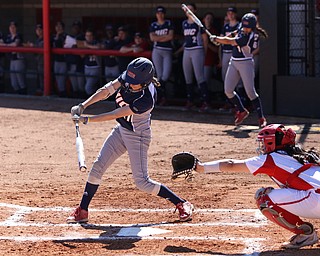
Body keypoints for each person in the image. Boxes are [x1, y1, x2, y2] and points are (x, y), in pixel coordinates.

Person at [67, 57, 194, 223]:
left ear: (145, 82)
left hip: (138, 135)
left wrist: (87, 120)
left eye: (134, 82)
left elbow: (115, 114)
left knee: (142, 182)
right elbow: (107, 90)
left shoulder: (146, 99)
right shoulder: (130, 77)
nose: (129, 84)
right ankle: (82, 210)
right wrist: (83, 105)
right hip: (121, 130)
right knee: (98, 167)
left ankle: (181, 203)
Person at [193, 124, 320, 249]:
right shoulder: (305, 155)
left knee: (264, 198)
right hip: (316, 198)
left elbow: (231, 164)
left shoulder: (271, 159)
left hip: (316, 200)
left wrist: (200, 168)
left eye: (264, 142)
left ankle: (306, 234)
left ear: (272, 143)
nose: (262, 145)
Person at [210, 13, 268, 128]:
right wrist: (224, 37)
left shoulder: (250, 36)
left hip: (246, 63)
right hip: (234, 62)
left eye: (248, 26)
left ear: (252, 26)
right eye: (244, 25)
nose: (245, 28)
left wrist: (217, 39)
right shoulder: (243, 28)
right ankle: (242, 111)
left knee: (251, 92)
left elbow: (229, 41)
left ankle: (261, 118)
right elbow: (236, 32)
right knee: (228, 90)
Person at [176, 3, 209, 112]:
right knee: (188, 77)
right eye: (187, 10)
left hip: (197, 49)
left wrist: (204, 52)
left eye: (191, 10)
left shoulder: (198, 23)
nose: (188, 12)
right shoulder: (184, 23)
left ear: (195, 11)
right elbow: (186, 40)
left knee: (199, 77)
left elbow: (205, 40)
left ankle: (205, 101)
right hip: (187, 50)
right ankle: (190, 100)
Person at [149, 6, 174, 106]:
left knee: (165, 76)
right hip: (157, 51)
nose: (160, 15)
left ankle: (158, 95)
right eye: (158, 13)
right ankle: (161, 97)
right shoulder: (153, 25)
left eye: (162, 13)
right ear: (156, 14)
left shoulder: (168, 23)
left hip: (167, 50)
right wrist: (164, 37)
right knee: (159, 76)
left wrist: (158, 38)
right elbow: (152, 38)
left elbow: (170, 36)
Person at [0, 21, 27, 94]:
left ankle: (24, 96)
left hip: (19, 59)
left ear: (16, 28)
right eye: (11, 27)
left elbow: (15, 44)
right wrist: (7, 45)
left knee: (20, 80)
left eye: (14, 27)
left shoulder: (18, 35)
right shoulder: (8, 36)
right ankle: (19, 95)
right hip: (12, 60)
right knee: (14, 82)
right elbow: (1, 42)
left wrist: (6, 45)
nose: (12, 29)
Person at [65, 21, 85, 99]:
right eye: (74, 27)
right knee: (74, 85)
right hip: (71, 63)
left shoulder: (82, 37)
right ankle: (75, 98)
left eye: (77, 27)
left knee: (81, 85)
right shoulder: (69, 37)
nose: (75, 29)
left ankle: (82, 99)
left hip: (79, 64)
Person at [202, 12, 219, 94]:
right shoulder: (199, 30)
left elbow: (217, 49)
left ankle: (206, 100)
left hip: (208, 59)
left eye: (211, 19)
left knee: (205, 81)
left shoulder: (213, 32)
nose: (209, 20)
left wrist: (207, 43)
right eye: (207, 18)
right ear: (204, 19)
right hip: (197, 58)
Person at [82, 28, 102, 96]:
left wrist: (87, 46)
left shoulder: (96, 42)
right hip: (87, 67)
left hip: (95, 67)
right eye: (87, 36)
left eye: (90, 35)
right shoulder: (84, 43)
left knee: (88, 88)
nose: (88, 37)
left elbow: (99, 47)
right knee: (90, 86)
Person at [52, 21, 67, 97]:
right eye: (57, 26)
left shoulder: (65, 36)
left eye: (60, 26)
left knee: (61, 80)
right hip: (56, 60)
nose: (58, 28)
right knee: (57, 79)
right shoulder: (54, 36)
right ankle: (60, 94)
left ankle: (63, 95)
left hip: (63, 61)